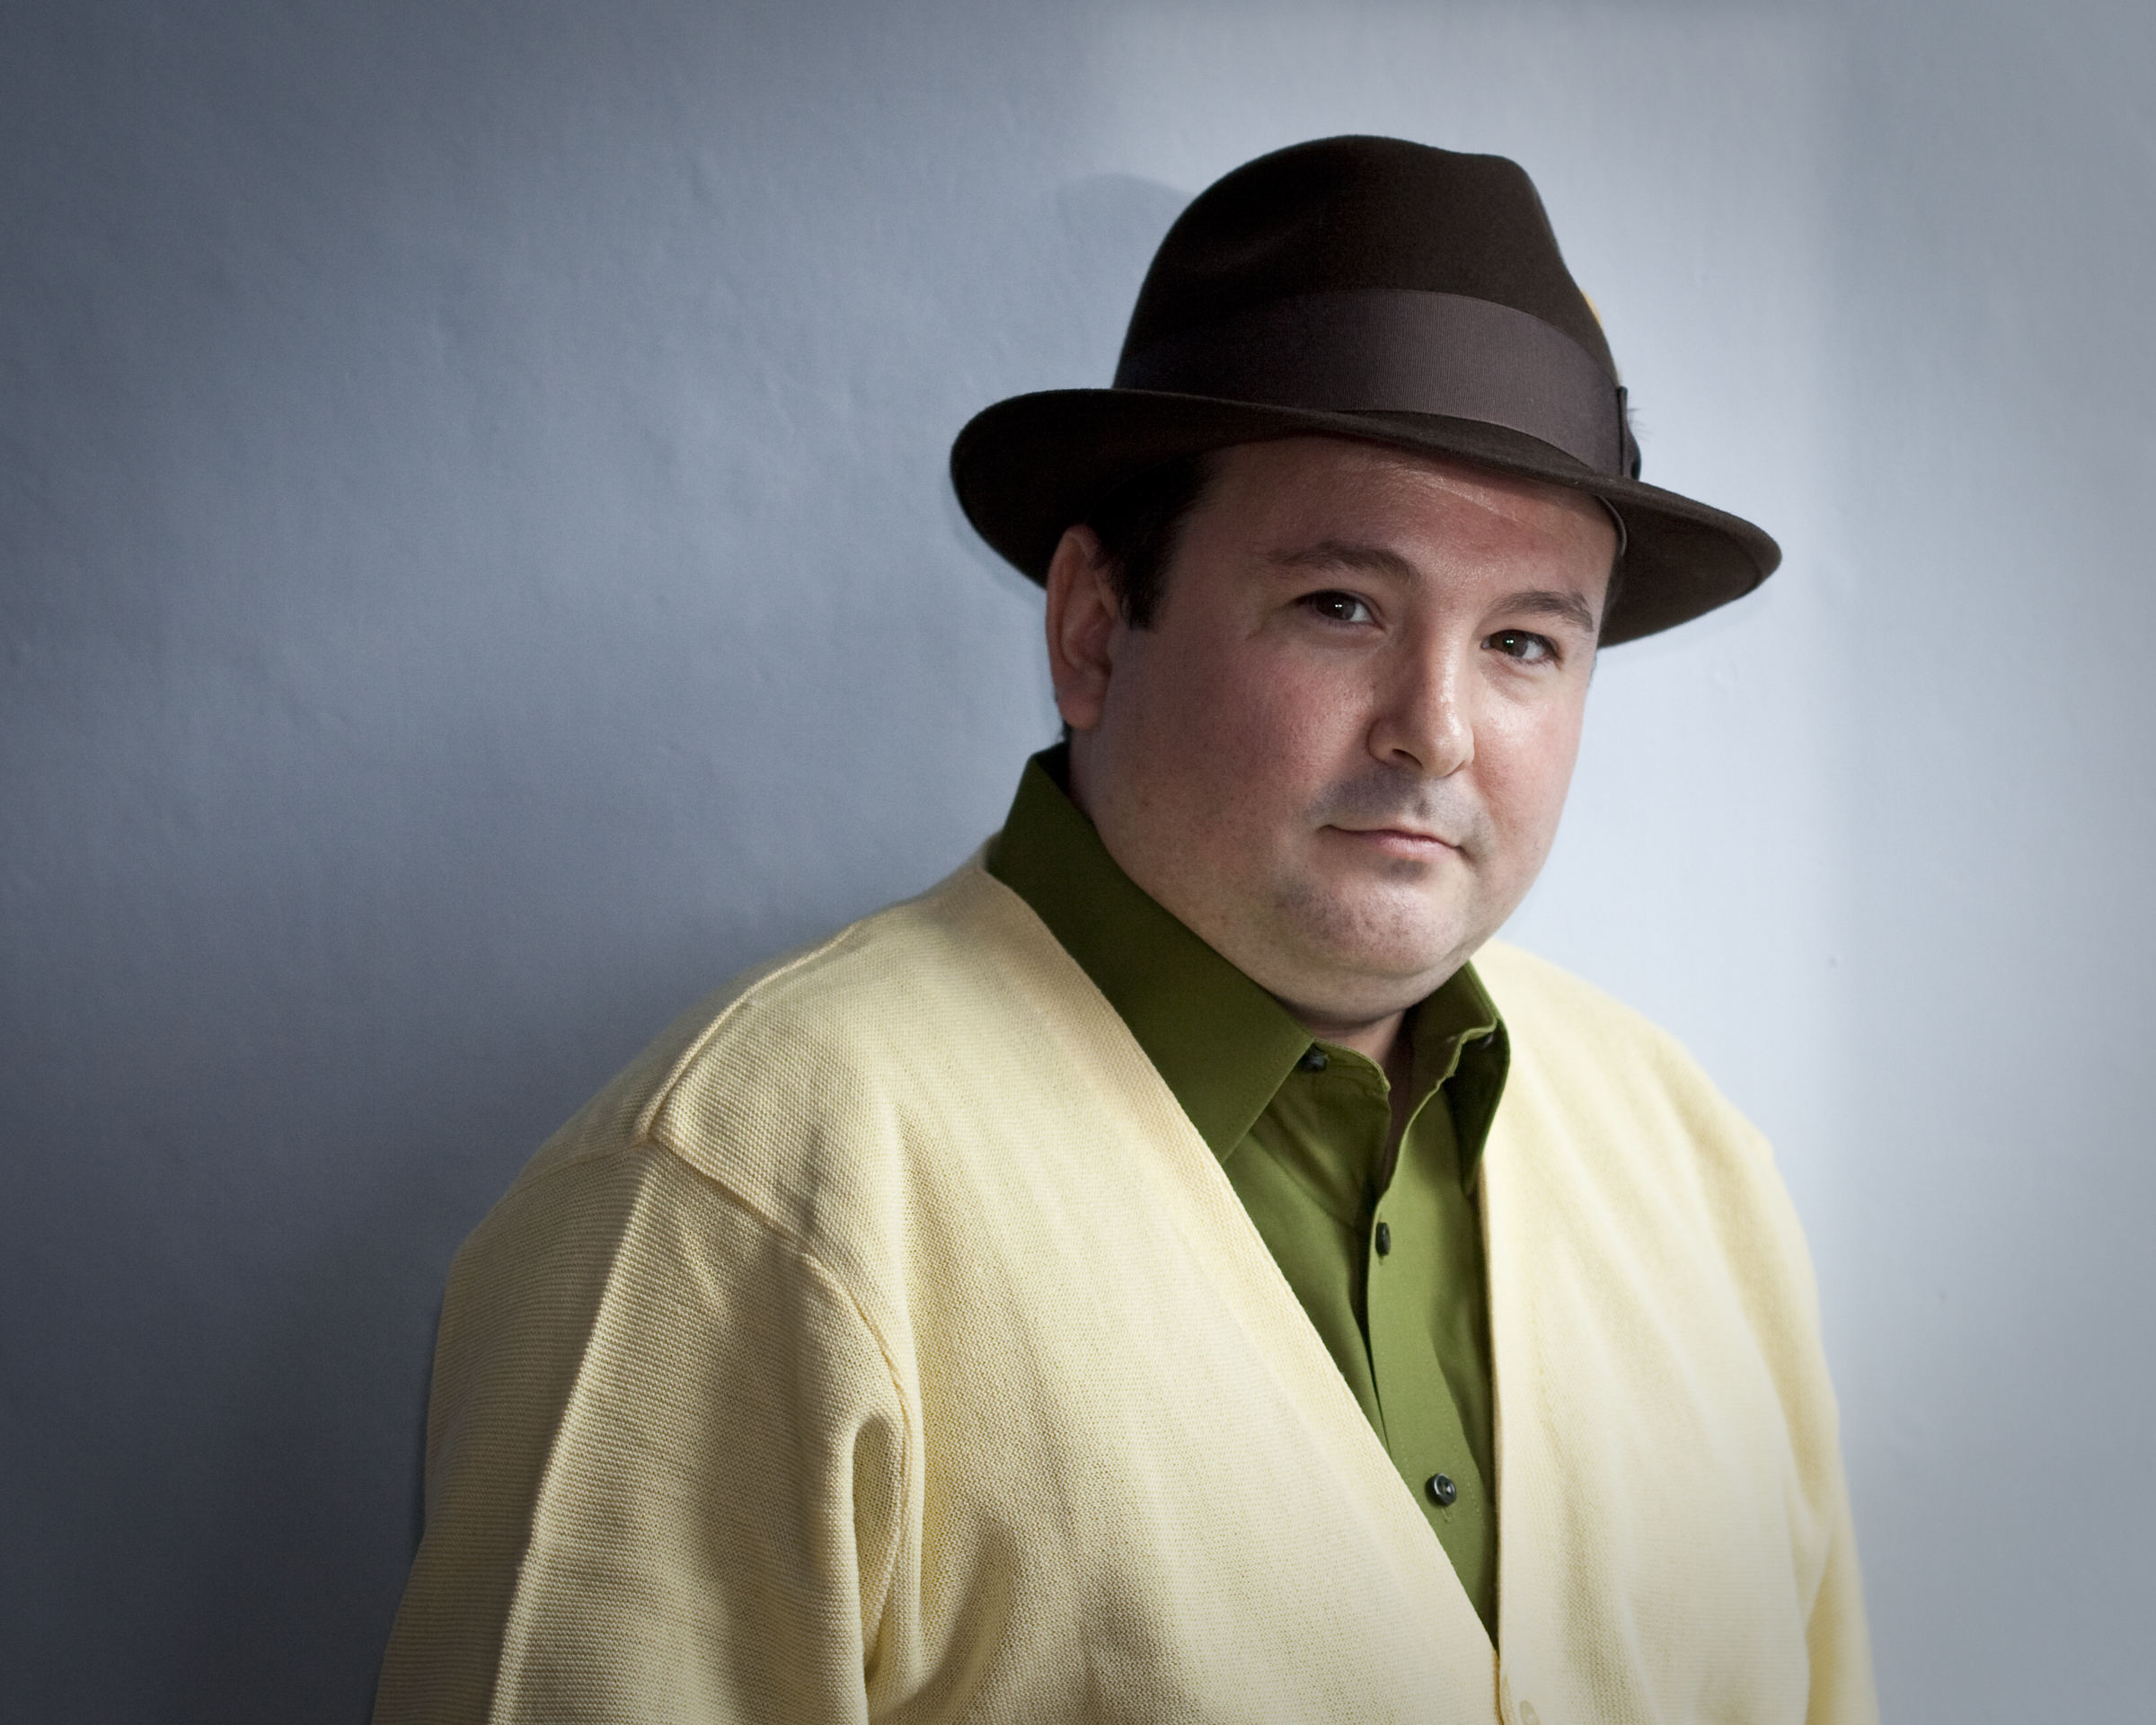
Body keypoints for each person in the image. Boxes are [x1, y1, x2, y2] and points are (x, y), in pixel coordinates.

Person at [373, 137, 1877, 1724]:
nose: (1436, 733)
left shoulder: (1695, 1167)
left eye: (1522, 641)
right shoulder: (736, 1200)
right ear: (1095, 627)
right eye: (1342, 606)